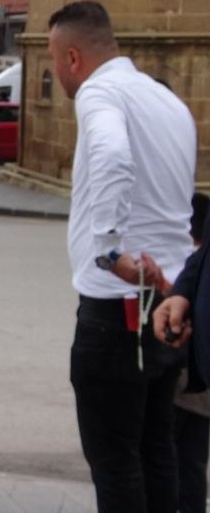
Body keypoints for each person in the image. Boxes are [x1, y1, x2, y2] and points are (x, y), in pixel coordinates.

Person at [49, 1, 197, 513]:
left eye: (52, 59)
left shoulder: (99, 92)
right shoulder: (167, 102)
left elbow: (111, 153)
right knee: (158, 450)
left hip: (117, 310)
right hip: (167, 307)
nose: (55, 72)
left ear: (73, 57)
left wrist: (110, 250)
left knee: (114, 462)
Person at [170, 192, 210, 513]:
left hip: (185, 386)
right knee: (193, 461)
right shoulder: (193, 265)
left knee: (175, 457)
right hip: (199, 384)